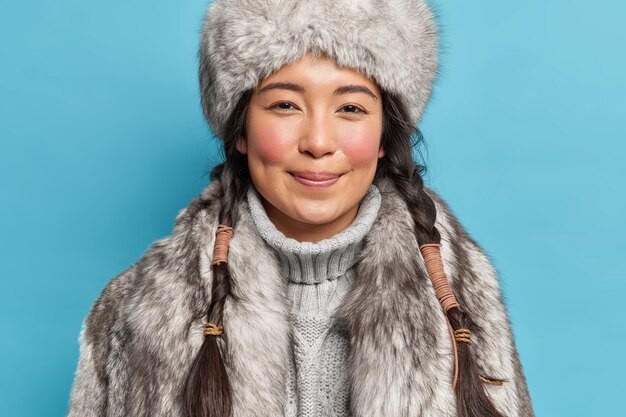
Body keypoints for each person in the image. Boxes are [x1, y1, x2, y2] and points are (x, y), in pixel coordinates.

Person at [66, 0, 535, 416]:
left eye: (350, 108)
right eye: (286, 105)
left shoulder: (465, 301)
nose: (317, 142)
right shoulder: (137, 311)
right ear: (241, 133)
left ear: (384, 141)